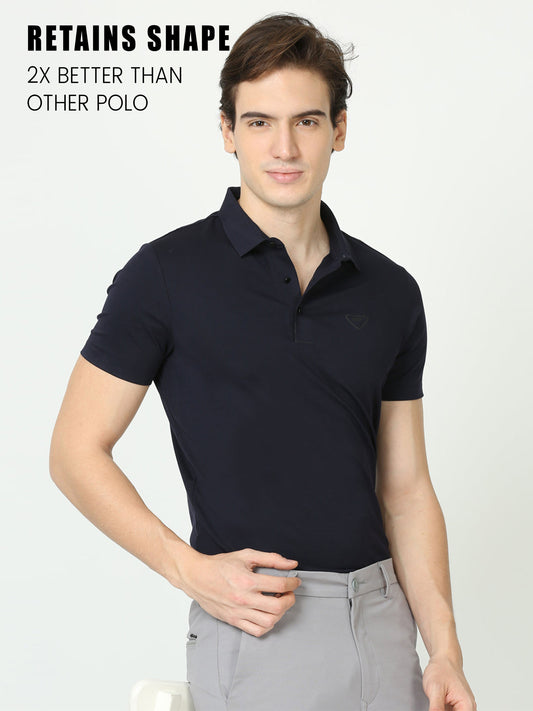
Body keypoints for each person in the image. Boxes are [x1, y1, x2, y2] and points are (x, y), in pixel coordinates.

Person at [49, 12, 477, 711]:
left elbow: (405, 488)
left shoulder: (390, 290)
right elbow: (74, 451)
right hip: (261, 623)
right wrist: (187, 569)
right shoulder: (166, 275)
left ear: (339, 130)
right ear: (227, 131)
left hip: (384, 622)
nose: (284, 147)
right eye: (258, 122)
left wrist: (446, 651)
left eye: (307, 121)